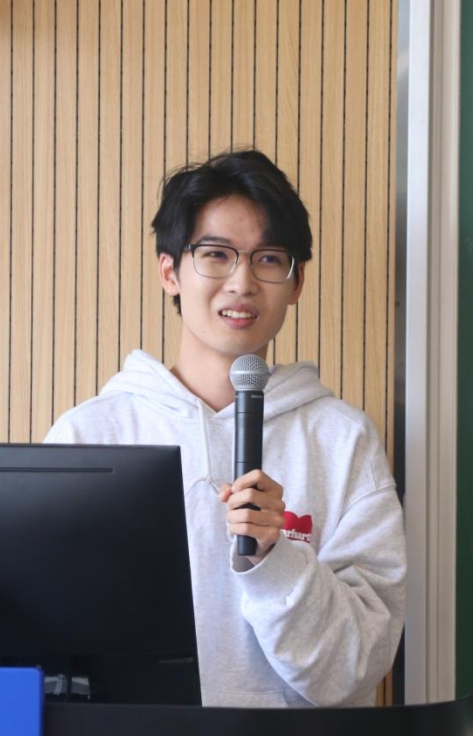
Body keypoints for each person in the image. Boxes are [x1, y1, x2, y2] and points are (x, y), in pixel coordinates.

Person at [44, 149, 406, 708]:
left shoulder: (344, 442)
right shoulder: (89, 436)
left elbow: (356, 668)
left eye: (269, 259)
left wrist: (274, 560)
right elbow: (47, 646)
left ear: (296, 282)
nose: (242, 282)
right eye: (215, 254)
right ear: (169, 271)